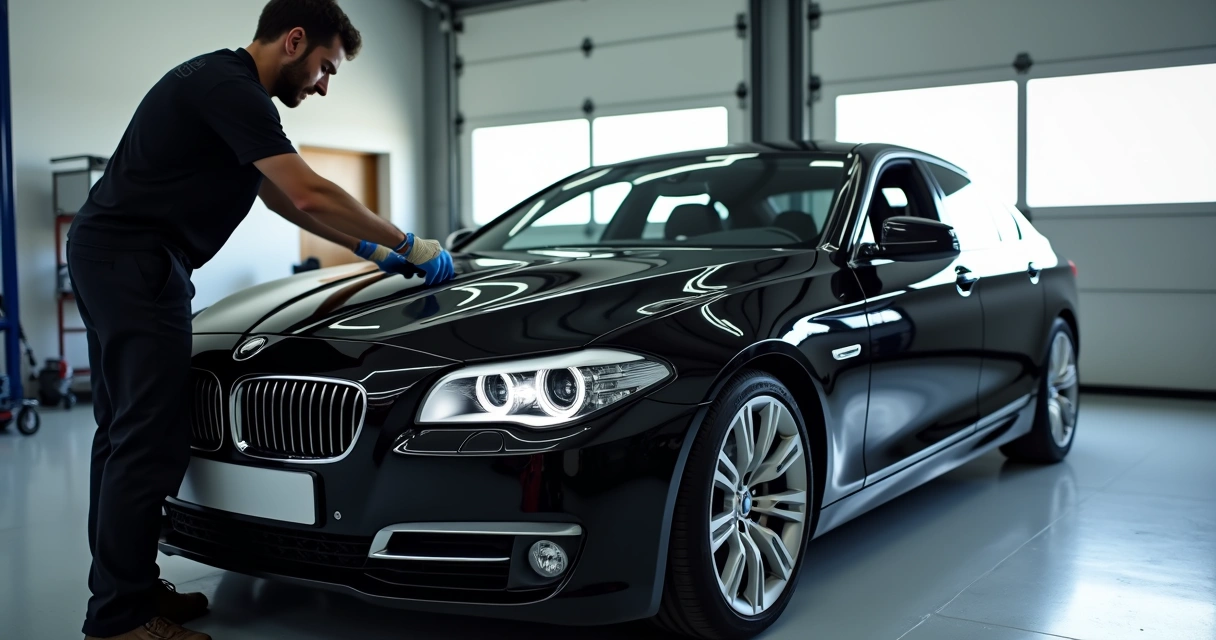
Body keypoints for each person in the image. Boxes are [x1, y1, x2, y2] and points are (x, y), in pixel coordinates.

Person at [67, 2, 453, 638]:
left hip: (109, 254)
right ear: (294, 41)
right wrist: (409, 243)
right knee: (145, 441)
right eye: (325, 68)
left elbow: (280, 197)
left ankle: (128, 590)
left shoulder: (217, 84)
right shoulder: (234, 90)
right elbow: (308, 189)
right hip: (136, 263)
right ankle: (121, 619)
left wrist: (368, 250)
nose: (324, 85)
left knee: (120, 436)